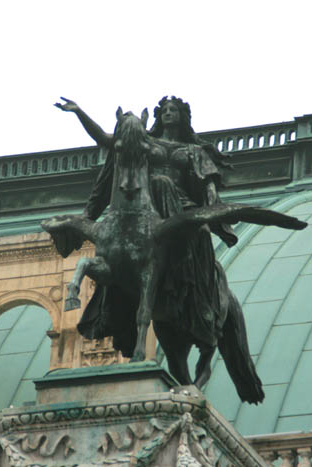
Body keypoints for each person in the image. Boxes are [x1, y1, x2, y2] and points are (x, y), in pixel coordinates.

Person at [55, 96, 237, 368]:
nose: (167, 113)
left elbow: (209, 187)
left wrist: (214, 211)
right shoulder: (143, 143)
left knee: (197, 233)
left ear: (183, 116)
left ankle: (195, 293)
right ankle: (114, 302)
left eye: (173, 110)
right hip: (144, 205)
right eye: (163, 110)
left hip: (182, 210)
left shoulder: (194, 151)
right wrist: (80, 113)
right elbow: (108, 141)